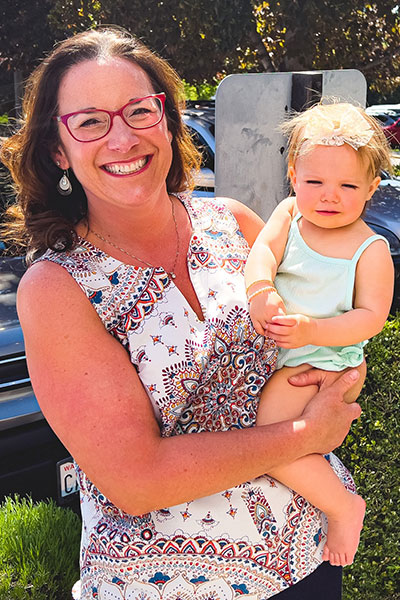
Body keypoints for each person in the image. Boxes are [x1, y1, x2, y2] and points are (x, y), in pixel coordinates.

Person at [1, 28, 363, 600]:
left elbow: (324, 324)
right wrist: (304, 433)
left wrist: (343, 368)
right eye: (90, 122)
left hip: (309, 554)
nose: (121, 138)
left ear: (167, 122)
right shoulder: (59, 287)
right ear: (56, 149)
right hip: (171, 584)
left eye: (139, 111)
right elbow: (136, 479)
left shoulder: (234, 223)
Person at [244, 102, 394, 568]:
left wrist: (313, 329)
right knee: (281, 441)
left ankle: (343, 507)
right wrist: (260, 290)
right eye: (315, 183)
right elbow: (261, 254)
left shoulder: (370, 248)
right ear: (293, 176)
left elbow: (371, 317)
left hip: (322, 363)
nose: (329, 196)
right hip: (282, 356)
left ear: (371, 188)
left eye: (348, 186)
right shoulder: (289, 215)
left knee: (269, 443)